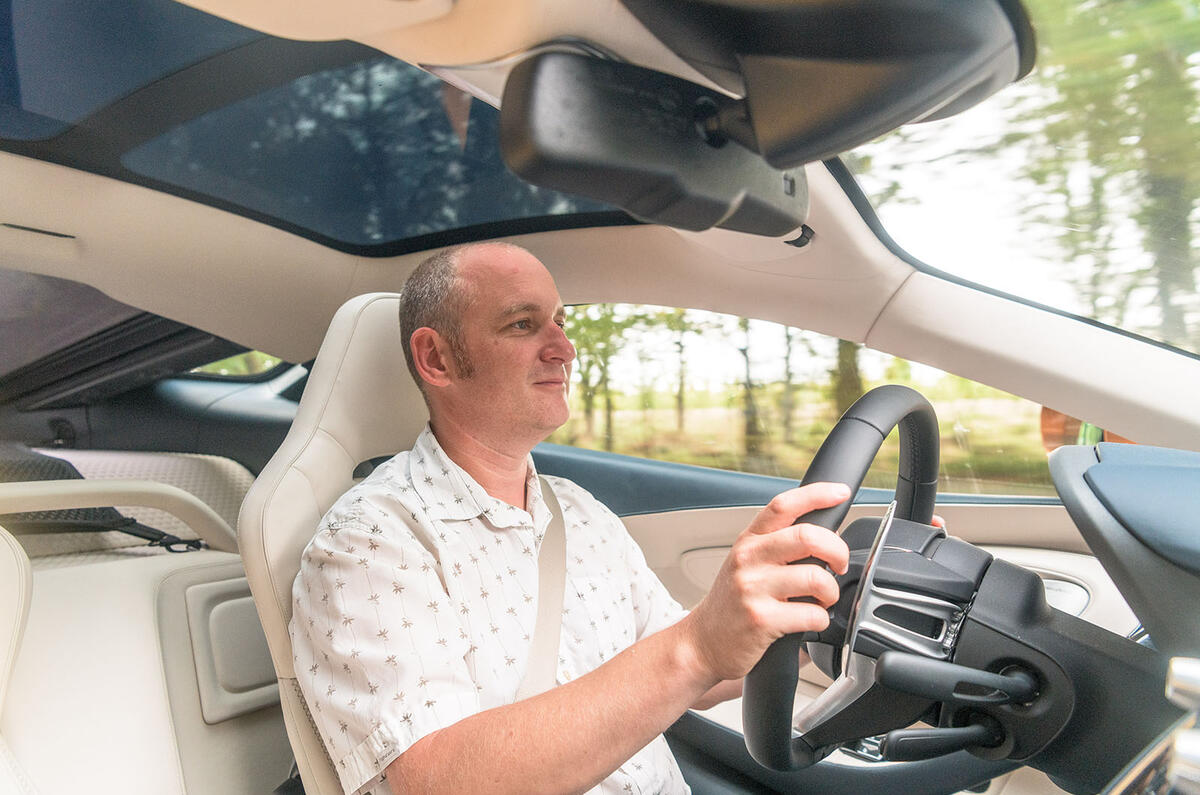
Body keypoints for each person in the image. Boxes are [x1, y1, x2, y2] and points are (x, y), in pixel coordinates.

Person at [290, 242, 851, 795]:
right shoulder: (368, 541)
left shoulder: (579, 511)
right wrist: (695, 646)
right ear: (437, 358)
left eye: (559, 321)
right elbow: (437, 782)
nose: (564, 348)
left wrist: (816, 613)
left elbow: (698, 674)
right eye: (522, 324)